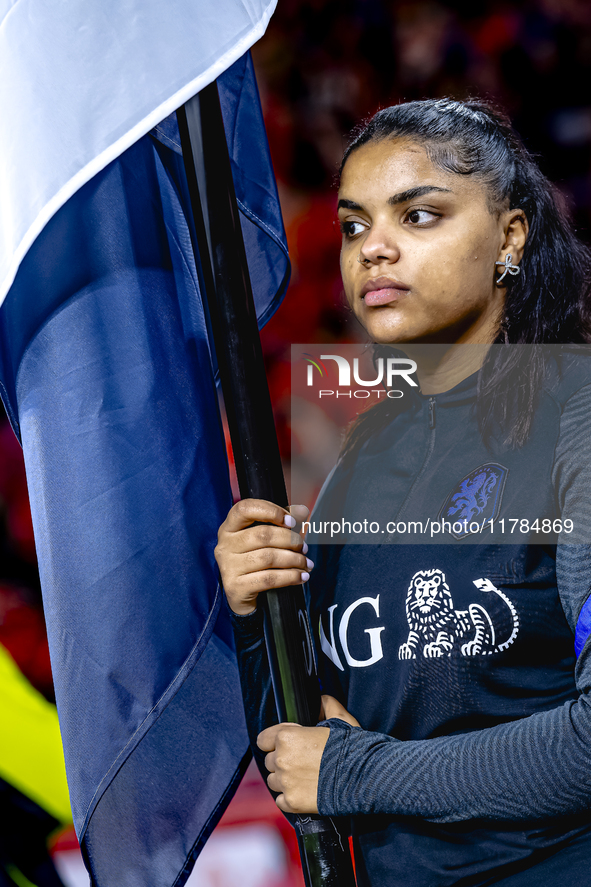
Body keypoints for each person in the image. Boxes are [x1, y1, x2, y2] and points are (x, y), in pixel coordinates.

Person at [214, 99, 591, 886]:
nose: (373, 249)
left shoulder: (574, 418)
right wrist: (256, 617)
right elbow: (306, 744)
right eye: (353, 227)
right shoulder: (361, 455)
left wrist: (360, 773)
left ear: (510, 237)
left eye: (417, 216)